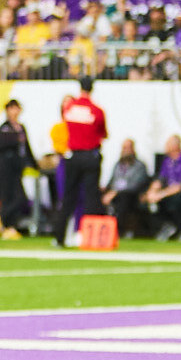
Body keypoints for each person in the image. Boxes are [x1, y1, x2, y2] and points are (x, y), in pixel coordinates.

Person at [53, 76, 107, 247]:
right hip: (90, 155)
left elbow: (67, 127)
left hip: (73, 156)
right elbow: (103, 133)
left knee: (68, 197)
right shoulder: (96, 110)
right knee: (90, 196)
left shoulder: (70, 108)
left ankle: (59, 236)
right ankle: (88, 236)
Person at [143, 135, 181, 241]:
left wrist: (160, 194)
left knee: (174, 201)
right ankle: (166, 226)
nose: (165, 146)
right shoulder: (167, 161)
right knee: (147, 202)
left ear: (175, 146)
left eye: (167, 144)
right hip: (170, 194)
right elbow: (160, 179)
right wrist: (151, 192)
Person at [0, 99, 35, 239]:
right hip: (4, 167)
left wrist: (34, 164)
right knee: (8, 197)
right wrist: (15, 139)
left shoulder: (21, 128)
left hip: (16, 168)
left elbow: (27, 149)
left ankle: (5, 223)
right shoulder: (4, 128)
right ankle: (4, 222)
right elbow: (0, 145)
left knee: (19, 198)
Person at [100, 138, 153, 239]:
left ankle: (120, 231)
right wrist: (106, 191)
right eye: (124, 148)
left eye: (128, 148)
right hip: (114, 195)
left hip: (131, 196)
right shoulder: (118, 165)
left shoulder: (140, 166)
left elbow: (135, 185)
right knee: (95, 195)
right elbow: (111, 182)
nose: (126, 150)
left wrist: (115, 192)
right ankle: (100, 230)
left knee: (124, 198)